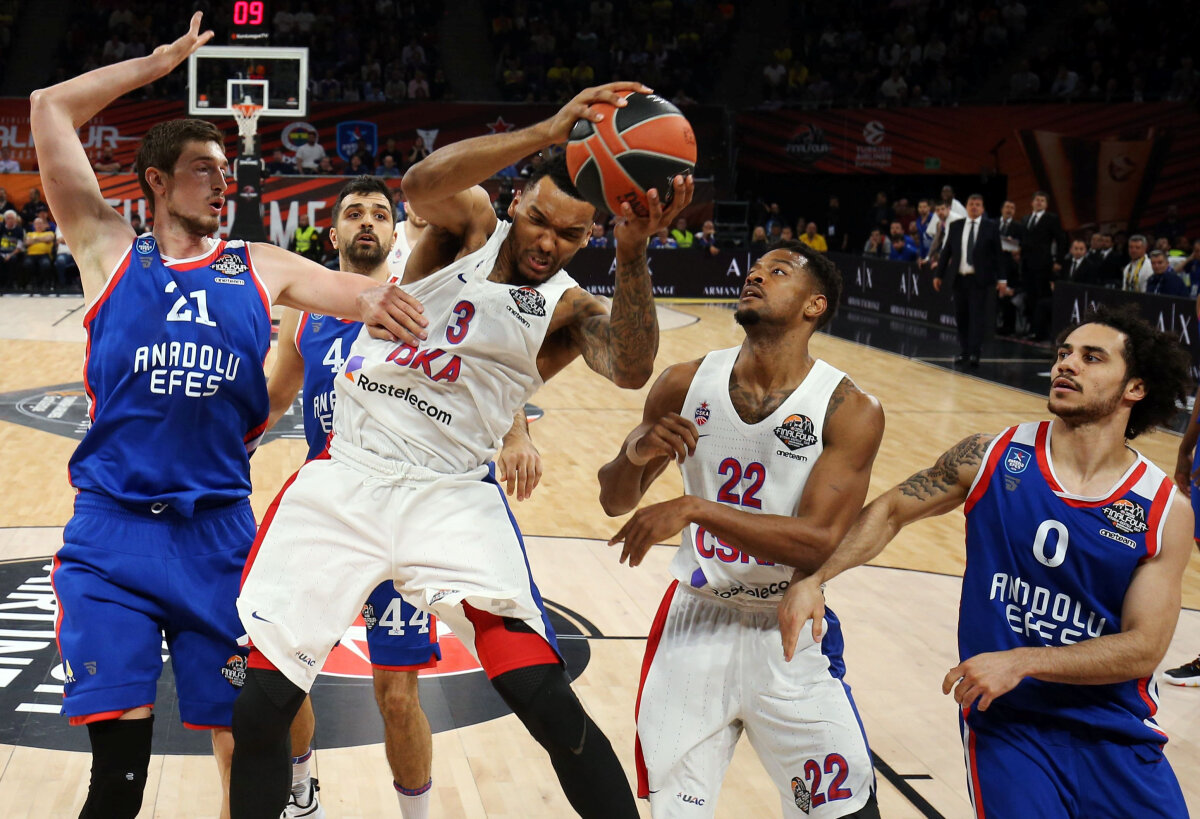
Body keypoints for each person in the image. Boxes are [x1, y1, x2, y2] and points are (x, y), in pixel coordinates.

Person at [231, 81, 694, 818]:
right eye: (540, 219)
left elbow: (633, 368)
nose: (548, 242)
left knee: (542, 695)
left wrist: (633, 252)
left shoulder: (570, 307)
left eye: (571, 235)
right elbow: (420, 183)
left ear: (587, 239)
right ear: (516, 203)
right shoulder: (468, 230)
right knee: (260, 704)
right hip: (349, 474)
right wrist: (547, 128)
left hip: (447, 494)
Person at [30, 15, 426, 818]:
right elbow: (45, 106)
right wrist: (156, 63)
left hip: (219, 539)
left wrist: (410, 288)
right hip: (113, 537)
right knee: (119, 780)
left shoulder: (262, 265)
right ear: (153, 181)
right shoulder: (105, 249)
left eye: (227, 168)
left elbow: (366, 292)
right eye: (203, 168)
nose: (223, 181)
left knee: (249, 755)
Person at [781, 304, 1193, 819]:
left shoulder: (1162, 508)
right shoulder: (990, 455)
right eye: (1064, 353)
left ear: (1135, 388)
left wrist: (1023, 660)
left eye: (1092, 358)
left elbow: (1143, 649)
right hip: (1011, 728)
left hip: (1117, 731)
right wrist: (816, 577)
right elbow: (889, 512)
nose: (1067, 365)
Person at [266, 176, 542, 818]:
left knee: (396, 693)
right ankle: (302, 784)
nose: (367, 222)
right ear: (331, 232)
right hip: (326, 512)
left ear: (397, 232)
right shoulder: (306, 311)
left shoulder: (427, 295)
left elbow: (490, 364)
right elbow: (276, 395)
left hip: (401, 507)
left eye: (380, 214)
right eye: (353, 213)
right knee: (281, 673)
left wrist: (519, 433)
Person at [597, 240, 883, 818]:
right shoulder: (683, 382)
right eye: (753, 269)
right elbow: (614, 497)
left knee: (847, 812)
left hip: (789, 625)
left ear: (814, 306)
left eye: (778, 272)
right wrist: (635, 450)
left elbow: (820, 540)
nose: (756, 276)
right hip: (694, 622)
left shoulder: (848, 407)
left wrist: (699, 509)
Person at [935, 194, 1001, 366]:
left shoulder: (990, 227)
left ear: (983, 208)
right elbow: (946, 252)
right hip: (959, 278)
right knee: (961, 317)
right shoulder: (956, 226)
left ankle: (974, 353)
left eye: (978, 205)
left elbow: (998, 255)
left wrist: (1002, 279)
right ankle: (964, 351)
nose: (974, 207)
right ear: (966, 206)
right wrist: (938, 275)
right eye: (971, 204)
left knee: (976, 317)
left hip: (978, 280)